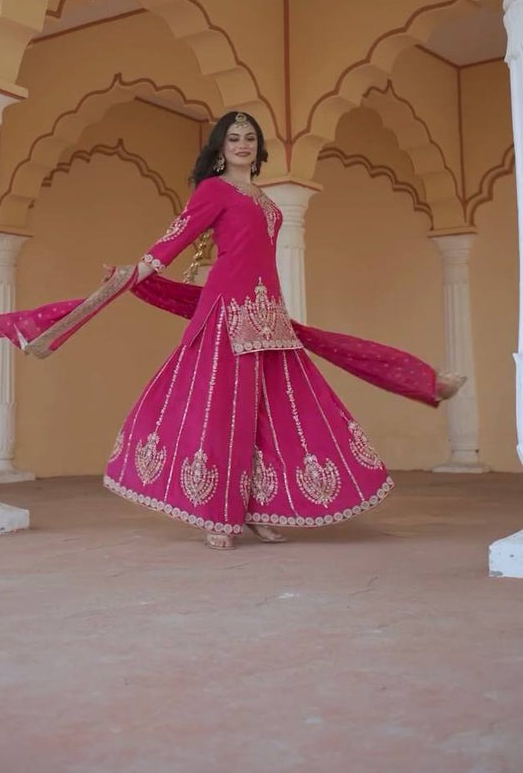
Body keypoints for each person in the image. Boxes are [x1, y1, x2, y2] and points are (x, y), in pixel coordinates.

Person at [103, 110, 463, 550]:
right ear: (220, 147)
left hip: (267, 312)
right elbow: (175, 237)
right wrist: (134, 274)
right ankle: (217, 515)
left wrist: (274, 308)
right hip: (228, 311)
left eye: (249, 138)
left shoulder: (263, 197)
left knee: (275, 413)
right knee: (223, 413)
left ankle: (260, 512)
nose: (242, 144)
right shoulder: (214, 189)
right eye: (234, 138)